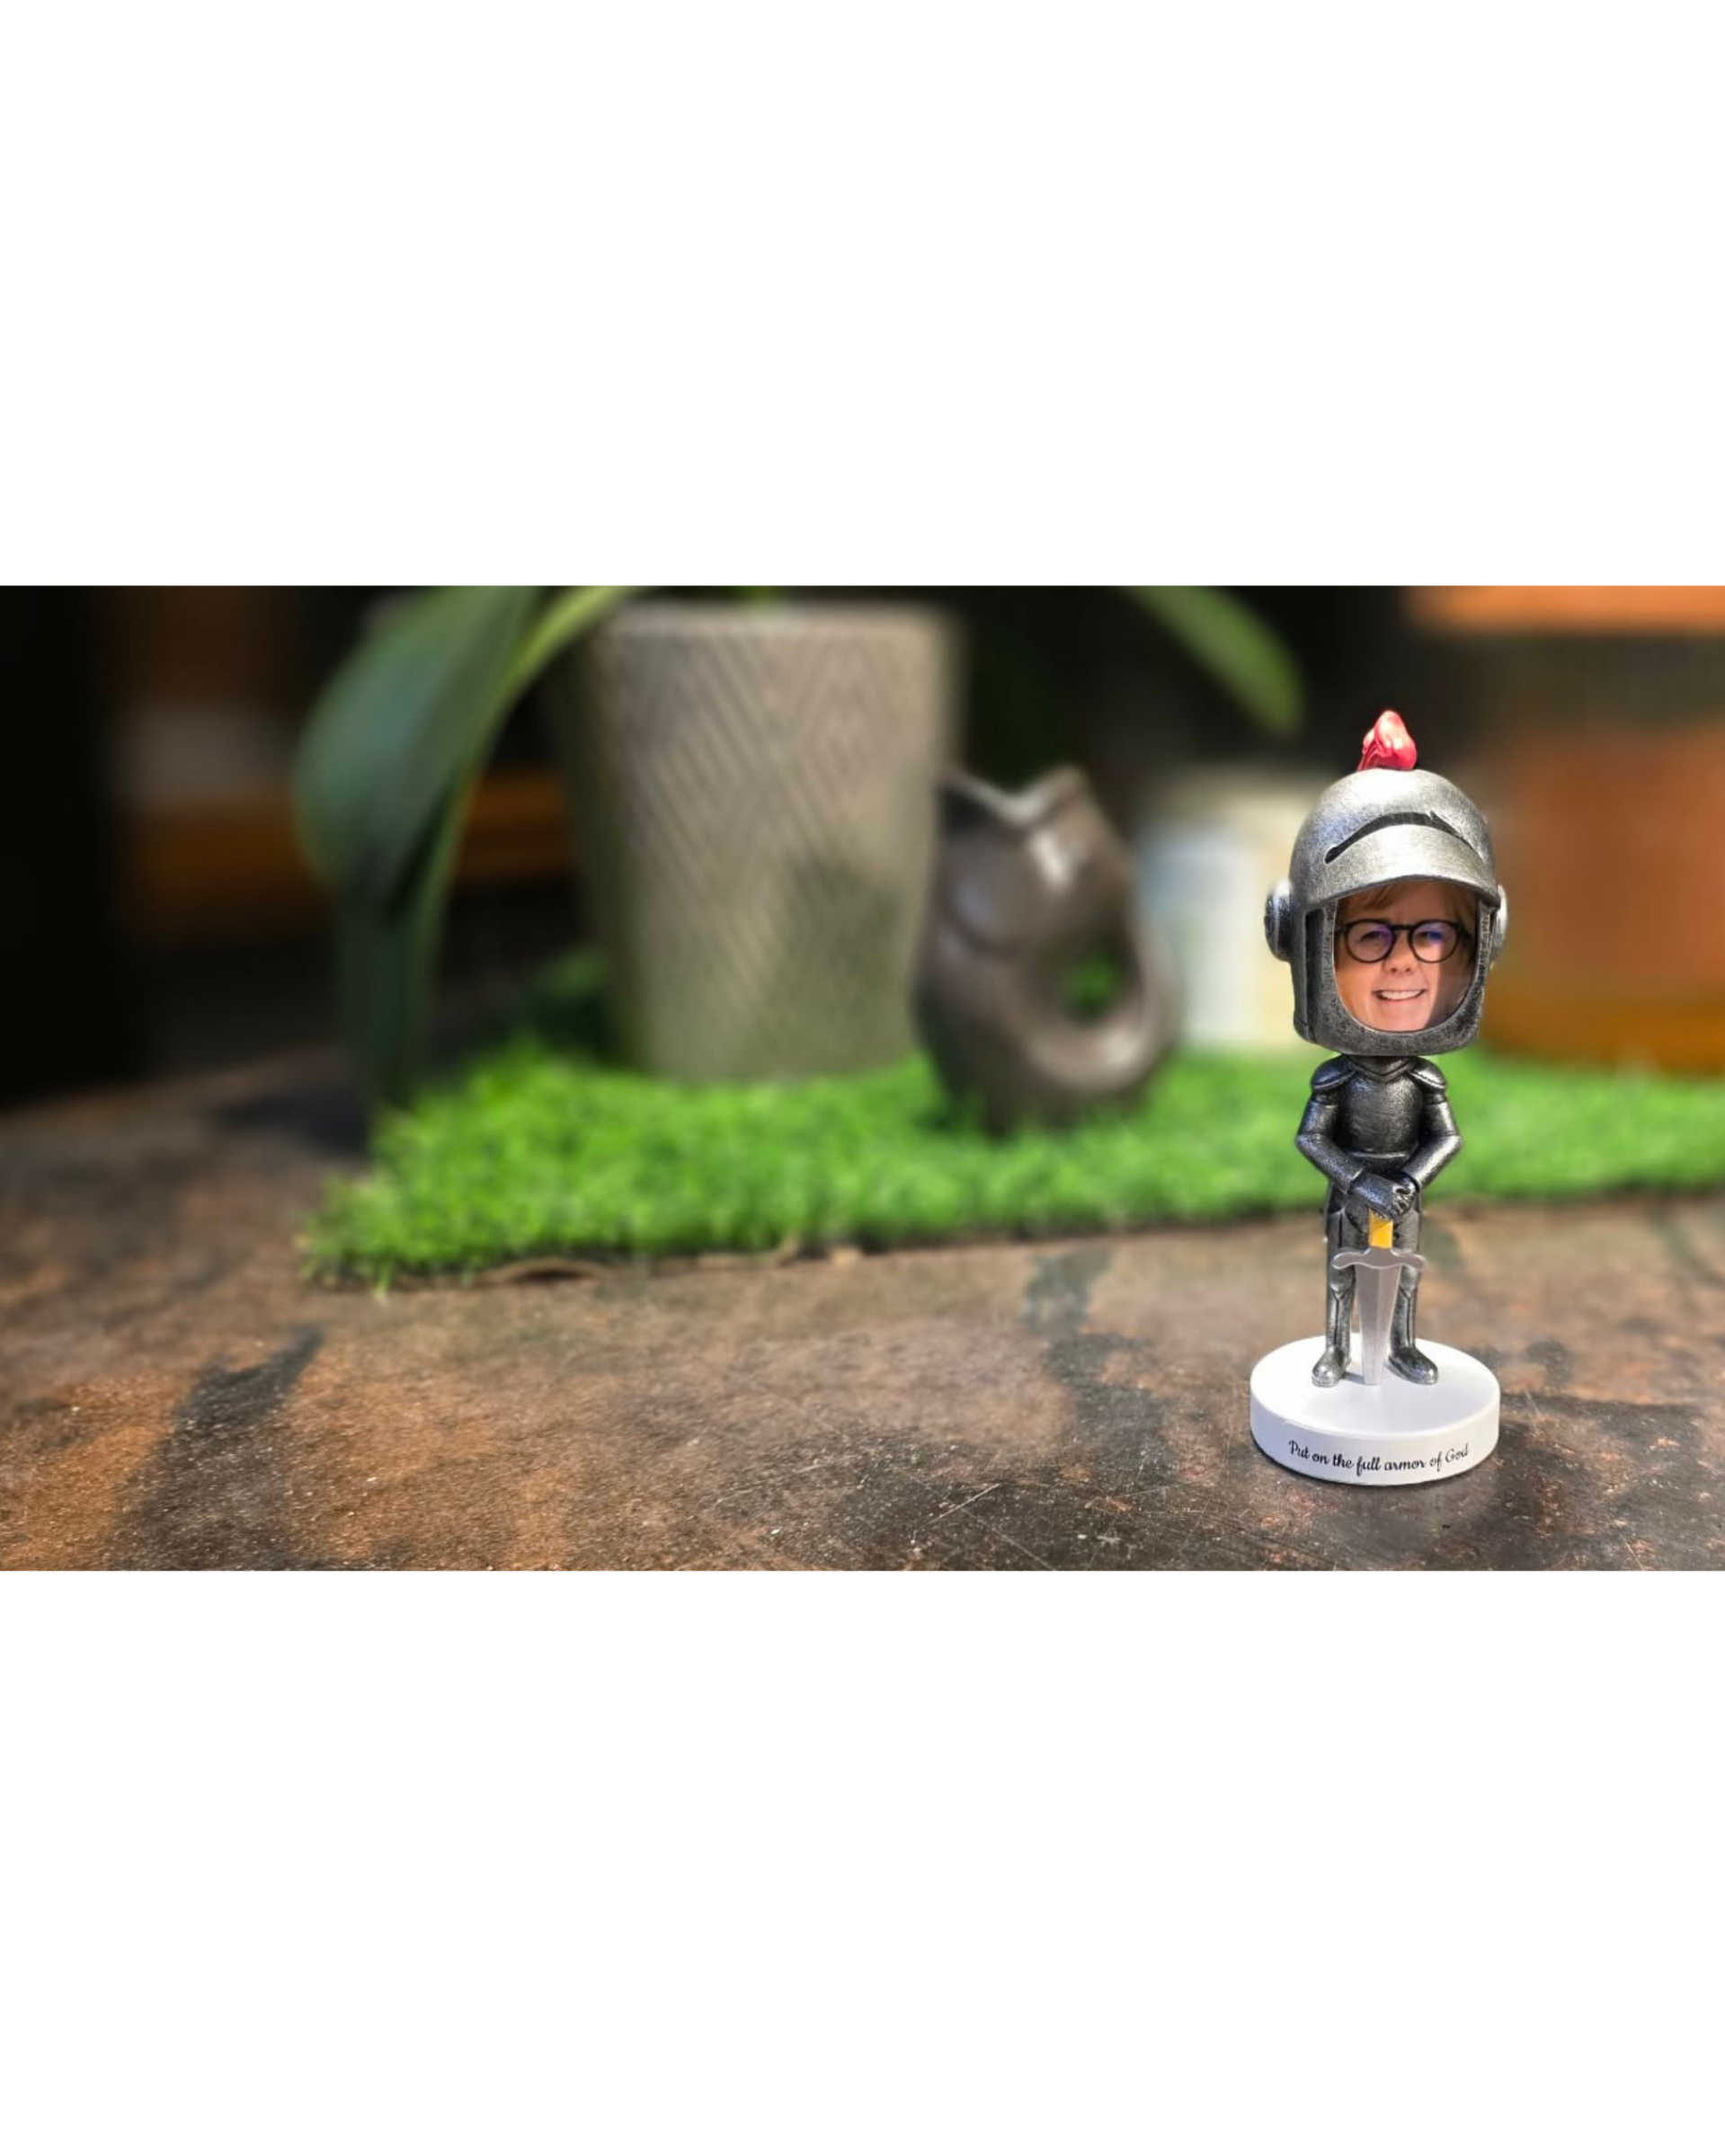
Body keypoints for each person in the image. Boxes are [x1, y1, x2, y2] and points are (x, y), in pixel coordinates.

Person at [1265, 715, 1507, 1388]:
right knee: (1341, 1270)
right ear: (1301, 937)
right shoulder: (1335, 1079)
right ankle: (1335, 1348)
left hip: (1402, 1194)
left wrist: (1409, 1182)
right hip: (1353, 1192)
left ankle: (1400, 1344)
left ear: (1483, 939)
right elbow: (1311, 1137)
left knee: (1406, 1272)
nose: (1403, 962)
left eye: (1432, 935)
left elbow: (1446, 1138)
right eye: (1370, 935)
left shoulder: (1423, 1081)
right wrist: (1358, 1181)